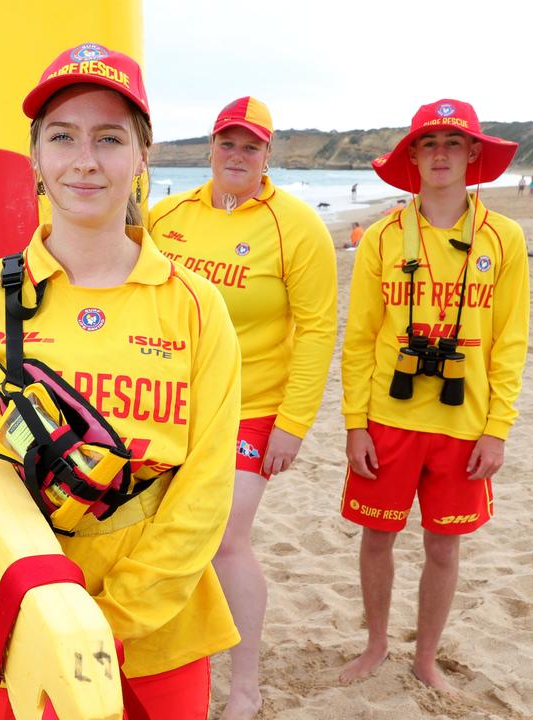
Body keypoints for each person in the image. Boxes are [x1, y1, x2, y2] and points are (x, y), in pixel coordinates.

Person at [0, 42, 242, 719]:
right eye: (62, 136)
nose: (85, 159)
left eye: (109, 138)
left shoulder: (194, 305)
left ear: (142, 157)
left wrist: (114, 617)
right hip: (12, 626)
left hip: (159, 633)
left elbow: (206, 487)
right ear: (36, 160)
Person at [148, 96, 338, 719]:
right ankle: (169, 666)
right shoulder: (165, 215)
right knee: (160, 535)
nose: (237, 155)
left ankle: (245, 686)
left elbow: (315, 330)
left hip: (250, 407)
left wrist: (293, 425)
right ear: (210, 146)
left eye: (250, 146)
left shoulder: (296, 225)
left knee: (225, 538)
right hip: (168, 404)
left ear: (268, 155)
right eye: (228, 143)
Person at [338, 99, 530, 692]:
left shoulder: (505, 238)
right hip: (387, 417)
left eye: (453, 142)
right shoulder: (382, 237)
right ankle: (375, 645)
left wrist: (498, 428)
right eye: (429, 143)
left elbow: (510, 341)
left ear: (473, 154)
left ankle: (425, 657)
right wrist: (355, 423)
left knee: (443, 548)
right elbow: (361, 336)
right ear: (413, 157)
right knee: (378, 536)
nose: (441, 153)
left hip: (464, 421)